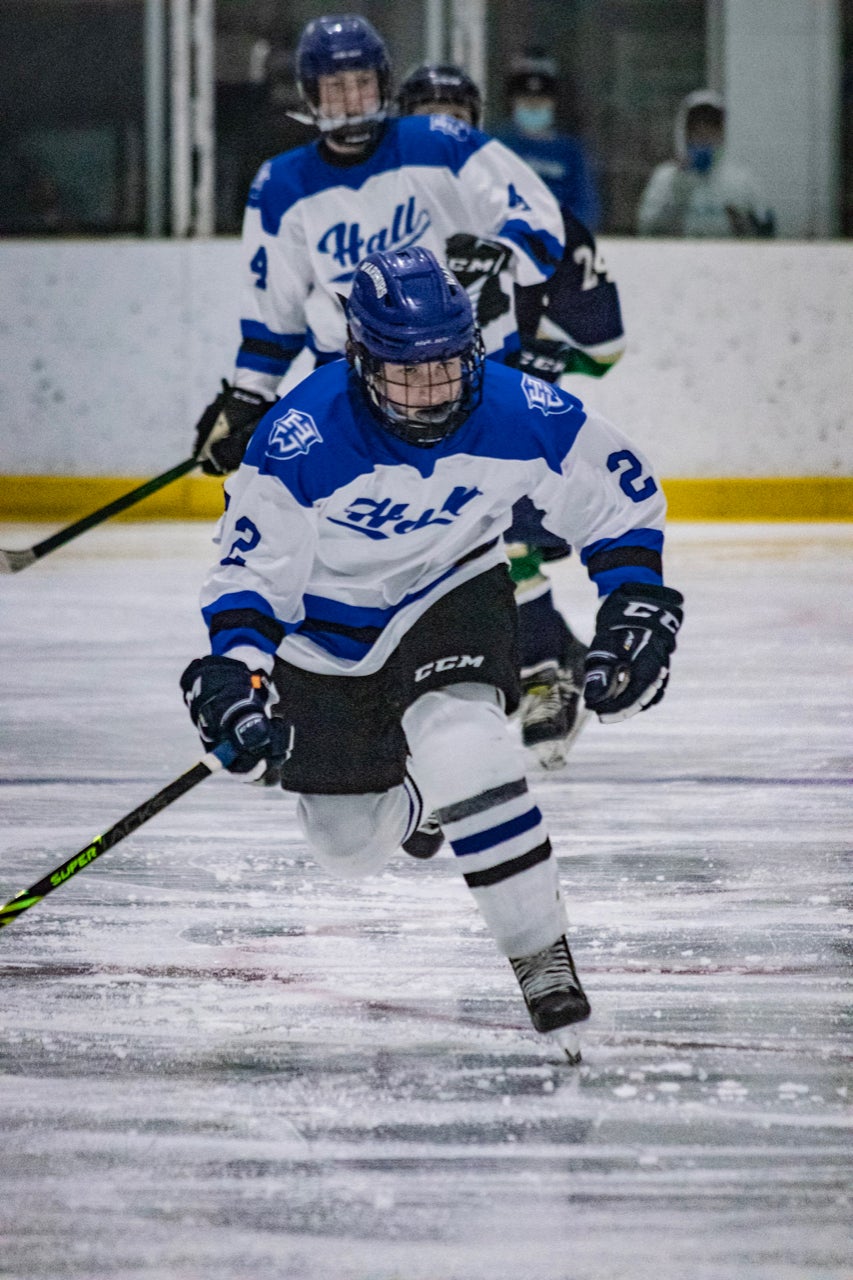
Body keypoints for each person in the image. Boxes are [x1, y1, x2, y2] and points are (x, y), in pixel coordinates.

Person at [179, 245, 685, 1064]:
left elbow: (619, 496)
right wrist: (235, 674)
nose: (432, 390)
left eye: (448, 366)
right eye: (406, 372)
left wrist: (637, 603)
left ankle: (540, 955)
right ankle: (420, 799)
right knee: (346, 845)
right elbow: (251, 576)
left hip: (450, 592)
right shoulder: (299, 437)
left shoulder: (519, 410)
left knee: (467, 740)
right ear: (359, 360)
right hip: (328, 635)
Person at [190, 14, 581, 770]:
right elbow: (272, 318)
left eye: (360, 81)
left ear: (382, 84)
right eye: (331, 85)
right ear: (308, 93)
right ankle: (361, 703)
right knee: (345, 548)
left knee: (490, 538)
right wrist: (247, 398)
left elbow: (538, 221)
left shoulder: (437, 145)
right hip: (354, 399)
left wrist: (494, 252)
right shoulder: (282, 186)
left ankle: (536, 667)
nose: (346, 98)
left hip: (464, 383)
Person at [398, 62, 626, 768]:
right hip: (407, 420)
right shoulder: (369, 219)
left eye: (453, 113)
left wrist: (535, 370)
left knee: (496, 538)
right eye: (424, 113)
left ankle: (542, 671)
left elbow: (602, 345)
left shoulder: (541, 217)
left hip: (500, 420)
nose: (440, 129)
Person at [637, 90, 775, 238]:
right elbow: (646, 228)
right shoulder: (666, 177)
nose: (704, 137)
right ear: (684, 134)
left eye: (712, 130)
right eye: (697, 130)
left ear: (722, 134)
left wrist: (742, 222)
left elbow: (767, 231)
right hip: (679, 257)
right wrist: (678, 192)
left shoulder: (741, 180)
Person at [495, 48, 600, 232]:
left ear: (553, 104)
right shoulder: (497, 146)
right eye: (527, 102)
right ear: (513, 103)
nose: (534, 107)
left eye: (540, 102)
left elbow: (587, 207)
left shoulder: (570, 152)